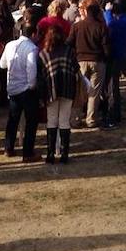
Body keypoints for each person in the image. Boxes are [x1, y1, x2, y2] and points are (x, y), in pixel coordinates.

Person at [0, 21, 41, 161]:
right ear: (34, 34)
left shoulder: (10, 45)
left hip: (12, 88)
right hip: (26, 89)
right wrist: (32, 86)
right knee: (31, 121)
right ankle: (28, 152)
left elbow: (2, 64)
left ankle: (8, 147)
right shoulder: (32, 49)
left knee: (13, 119)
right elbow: (32, 71)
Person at [39, 24, 80, 164]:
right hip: (68, 89)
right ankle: (64, 155)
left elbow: (41, 76)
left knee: (52, 120)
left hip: (51, 90)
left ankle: (50, 154)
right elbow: (76, 69)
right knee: (64, 121)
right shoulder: (69, 51)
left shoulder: (44, 53)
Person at [72, 0, 111, 129]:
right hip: (97, 61)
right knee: (94, 92)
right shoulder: (101, 27)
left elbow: (69, 43)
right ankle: (91, 119)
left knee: (79, 92)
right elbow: (106, 47)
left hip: (80, 61)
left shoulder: (77, 26)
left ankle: (76, 118)